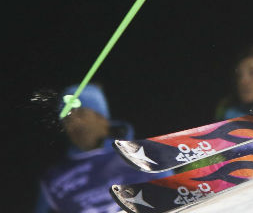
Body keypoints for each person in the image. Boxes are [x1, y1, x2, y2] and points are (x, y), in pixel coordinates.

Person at [35, 84, 170, 213]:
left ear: (102, 119)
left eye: (81, 113)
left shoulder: (139, 153)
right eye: (67, 118)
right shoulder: (53, 179)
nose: (74, 122)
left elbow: (175, 190)